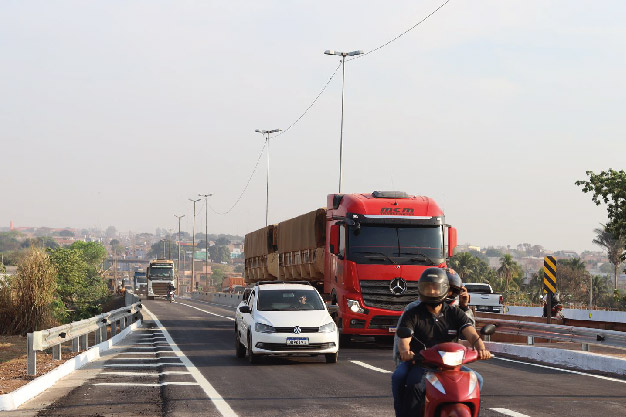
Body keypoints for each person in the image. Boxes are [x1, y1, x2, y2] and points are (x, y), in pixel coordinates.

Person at [392, 268, 492, 417]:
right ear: (421, 289)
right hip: (421, 363)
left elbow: (471, 333)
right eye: (428, 288)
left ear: (445, 289)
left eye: (435, 288)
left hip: (451, 366)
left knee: (477, 379)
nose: (432, 292)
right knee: (403, 379)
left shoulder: (455, 312)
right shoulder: (413, 313)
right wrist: (405, 352)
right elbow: (404, 339)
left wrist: (481, 349)